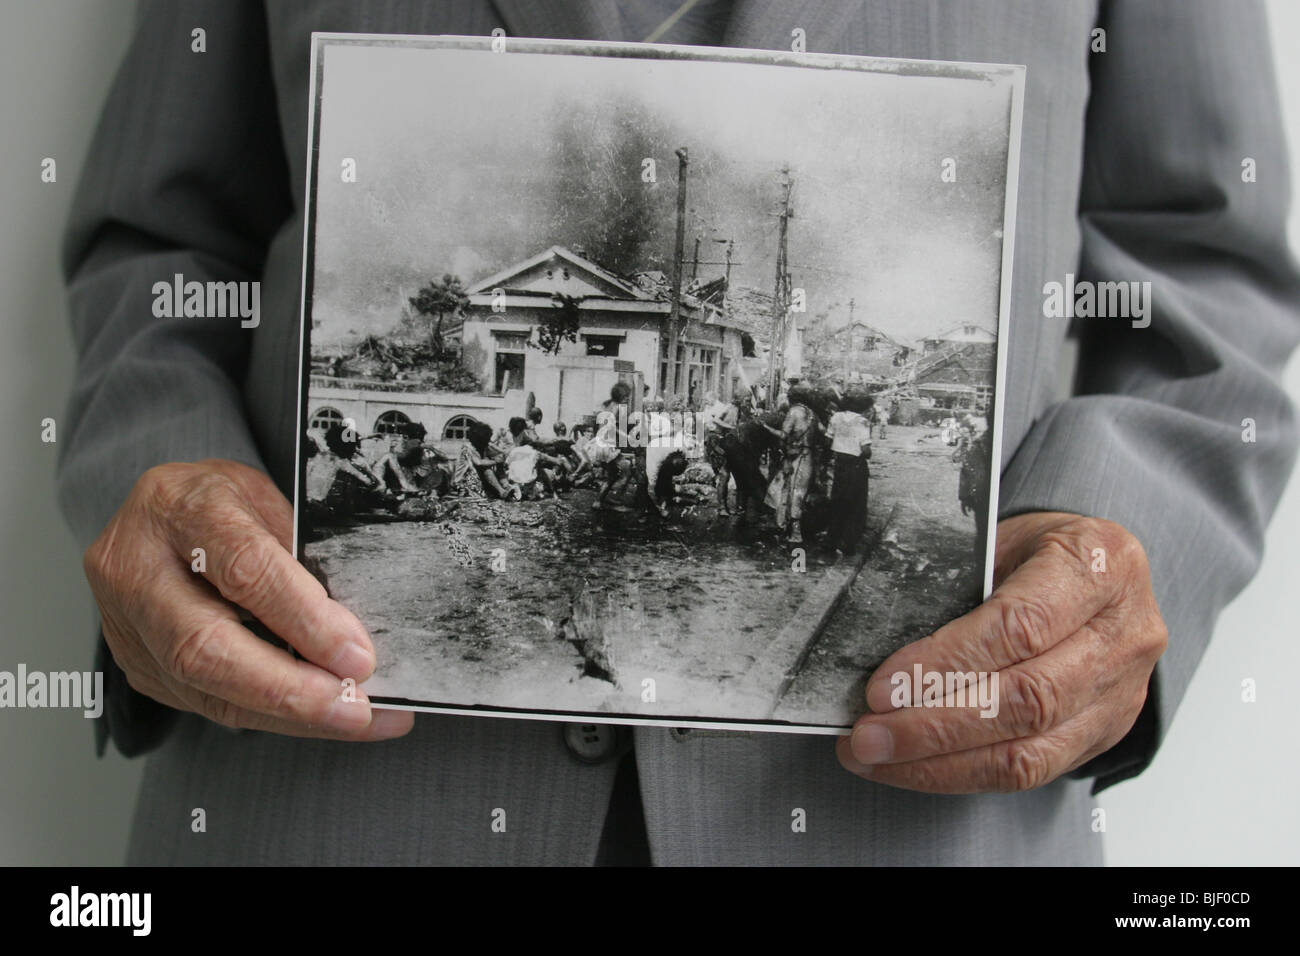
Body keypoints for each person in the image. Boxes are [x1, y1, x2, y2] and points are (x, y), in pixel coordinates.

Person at [61, 1, 1300, 868]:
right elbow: (156, 241)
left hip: (907, 813)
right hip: (329, 802)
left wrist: (1117, 534)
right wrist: (166, 489)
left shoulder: (790, 405)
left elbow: (1206, 263)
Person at [825, 393, 873, 553]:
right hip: (856, 465)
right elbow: (866, 450)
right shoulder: (862, 422)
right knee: (856, 506)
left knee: (838, 503)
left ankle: (831, 542)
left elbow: (827, 440)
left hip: (839, 464)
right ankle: (848, 544)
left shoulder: (836, 417)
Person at [775, 385, 820, 545]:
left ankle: (793, 531)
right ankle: (794, 528)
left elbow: (783, 436)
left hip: (794, 455)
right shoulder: (812, 414)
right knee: (801, 492)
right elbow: (822, 435)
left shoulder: (793, 412)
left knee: (790, 491)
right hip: (809, 456)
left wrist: (785, 458)